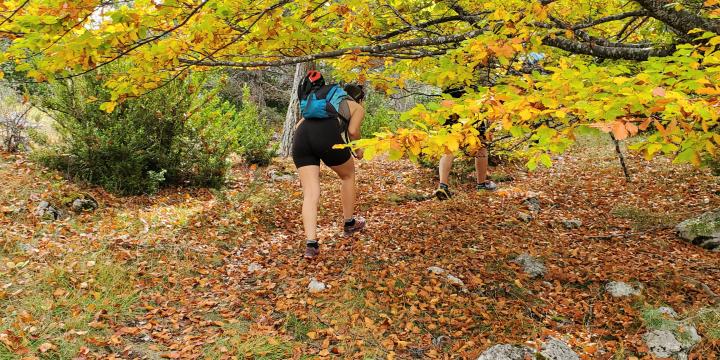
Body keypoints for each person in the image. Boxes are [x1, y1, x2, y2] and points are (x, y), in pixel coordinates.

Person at [292, 71, 367, 259]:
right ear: (359, 98)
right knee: (348, 175)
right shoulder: (356, 107)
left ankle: (311, 245)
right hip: (325, 136)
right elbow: (353, 131)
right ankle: (349, 223)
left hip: (301, 136)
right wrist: (358, 150)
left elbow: (298, 126)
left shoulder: (319, 103)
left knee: (310, 193)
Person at [434, 88, 497, 200]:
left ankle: (443, 186)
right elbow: (487, 91)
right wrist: (490, 125)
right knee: (481, 144)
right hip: (472, 101)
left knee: (449, 145)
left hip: (449, 99)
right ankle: (481, 186)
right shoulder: (478, 74)